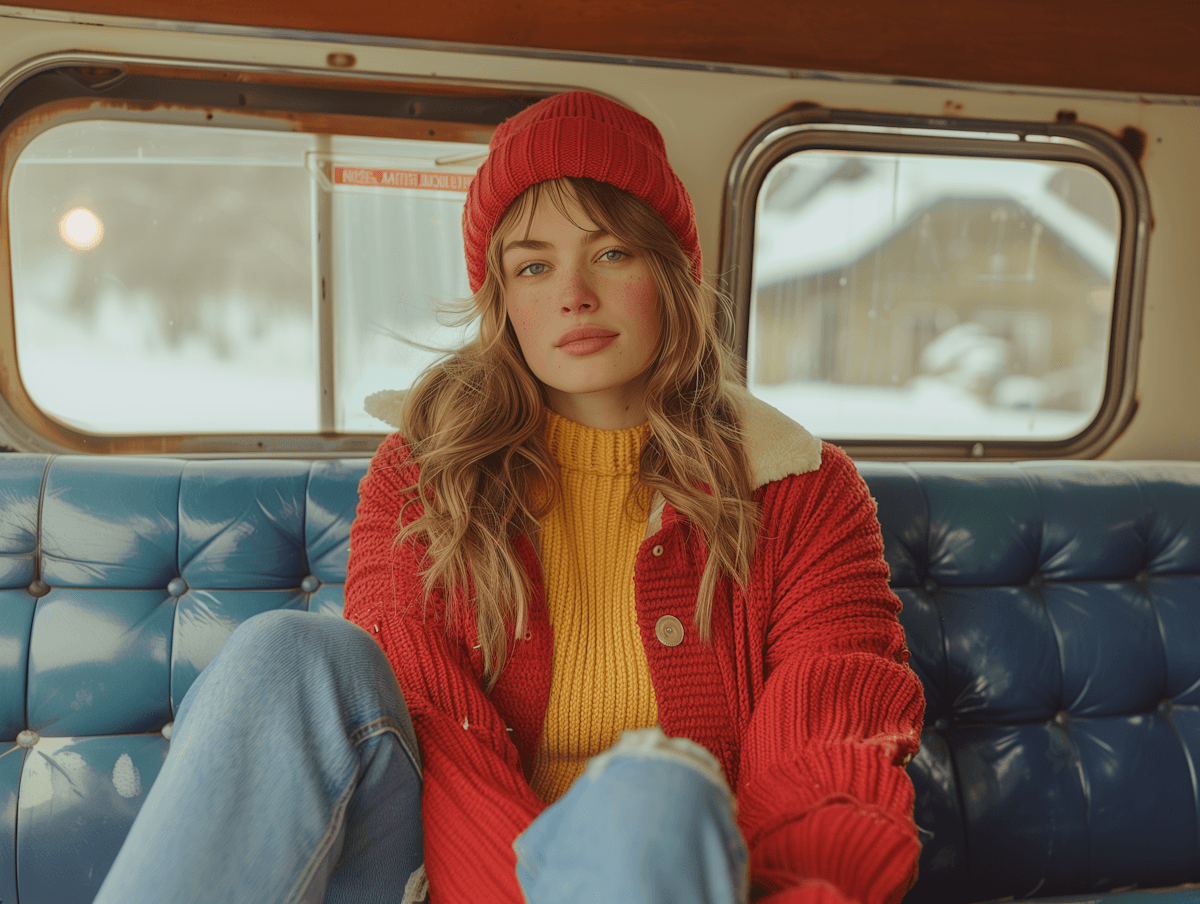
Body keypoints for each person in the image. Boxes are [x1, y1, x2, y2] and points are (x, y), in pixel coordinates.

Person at [94, 91, 923, 904]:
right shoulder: (423, 474)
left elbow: (828, 745)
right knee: (289, 653)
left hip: (674, 866)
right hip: (437, 873)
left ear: (671, 270)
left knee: (652, 792)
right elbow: (432, 737)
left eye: (611, 253)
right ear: (504, 303)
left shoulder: (801, 488)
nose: (574, 294)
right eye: (535, 265)